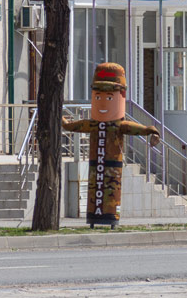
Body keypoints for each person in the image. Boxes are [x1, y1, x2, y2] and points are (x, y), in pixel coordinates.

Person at [61, 63, 160, 228]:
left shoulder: (118, 125)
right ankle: (94, 218)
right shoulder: (93, 124)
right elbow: (73, 126)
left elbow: (137, 129)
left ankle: (111, 218)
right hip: (96, 168)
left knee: (110, 197)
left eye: (109, 97)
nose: (103, 103)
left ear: (120, 96)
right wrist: (62, 120)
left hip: (113, 170)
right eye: (98, 97)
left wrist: (151, 131)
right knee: (96, 192)